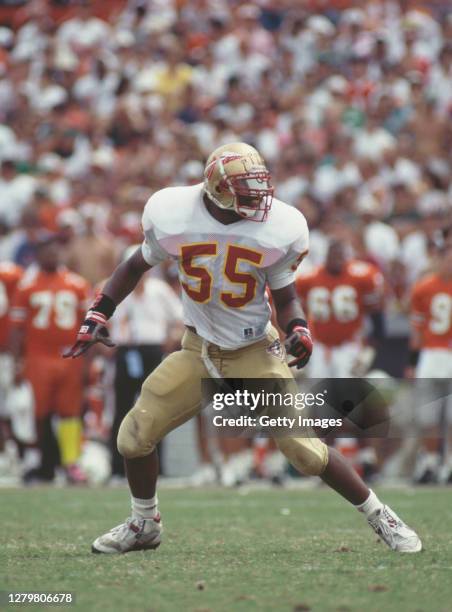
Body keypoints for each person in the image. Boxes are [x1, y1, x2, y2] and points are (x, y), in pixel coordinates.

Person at [64, 142, 421, 554]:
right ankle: (144, 523)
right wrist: (98, 314)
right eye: (247, 191)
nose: (260, 199)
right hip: (197, 349)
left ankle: (381, 516)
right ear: (217, 189)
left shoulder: (280, 226)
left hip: (254, 349)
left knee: (303, 451)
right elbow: (133, 267)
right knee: (133, 436)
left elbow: (285, 297)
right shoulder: (172, 215)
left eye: (260, 187)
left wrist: (299, 328)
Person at [10, 232, 90, 484]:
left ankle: (71, 463)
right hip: (38, 357)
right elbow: (16, 328)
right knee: (39, 412)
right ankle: (43, 464)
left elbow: (87, 325)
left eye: (55, 249)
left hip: (70, 356)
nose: (52, 254)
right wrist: (16, 361)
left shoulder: (76, 283)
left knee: (70, 412)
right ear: (37, 254)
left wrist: (88, 359)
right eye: (46, 249)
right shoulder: (27, 285)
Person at [407, 232, 452, 483]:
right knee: (429, 416)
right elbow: (417, 330)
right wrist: (412, 363)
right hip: (431, 354)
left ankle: (449, 464)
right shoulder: (424, 287)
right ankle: (432, 462)